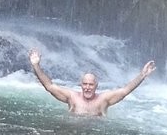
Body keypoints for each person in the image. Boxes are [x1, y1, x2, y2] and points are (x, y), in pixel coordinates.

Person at [28, 50, 157, 118]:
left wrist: (142, 76)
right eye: (85, 84)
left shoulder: (103, 99)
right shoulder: (72, 97)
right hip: (74, 134)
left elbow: (125, 90)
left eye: (91, 85)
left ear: (96, 86)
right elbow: (50, 86)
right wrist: (36, 65)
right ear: (81, 85)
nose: (87, 87)